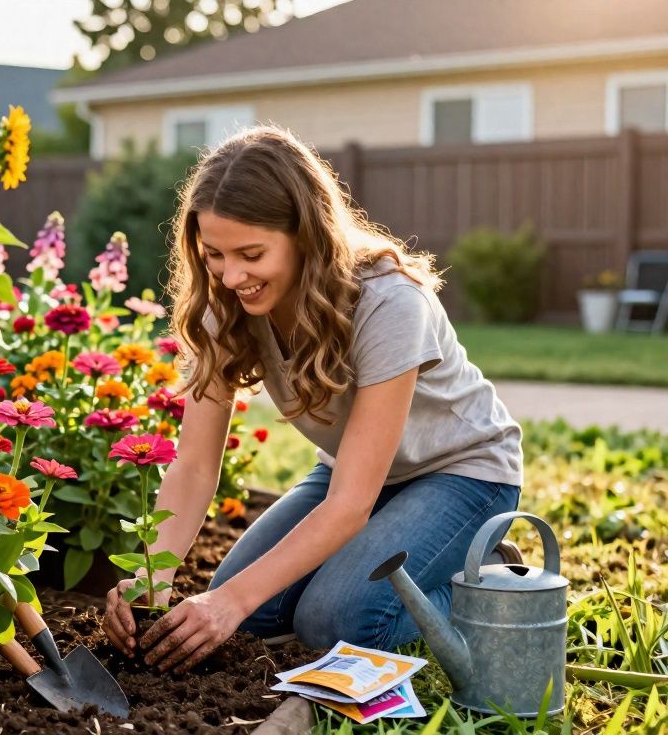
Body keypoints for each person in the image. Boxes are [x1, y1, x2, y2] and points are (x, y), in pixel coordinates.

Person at [102, 125, 523, 674]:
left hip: (463, 475)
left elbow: (349, 505)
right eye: (214, 256)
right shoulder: (226, 306)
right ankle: (394, 563)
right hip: (356, 474)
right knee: (247, 610)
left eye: (252, 253)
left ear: (306, 235)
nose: (232, 276)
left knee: (337, 621)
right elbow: (195, 463)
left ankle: (482, 582)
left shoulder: (388, 302)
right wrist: (150, 573)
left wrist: (229, 602)